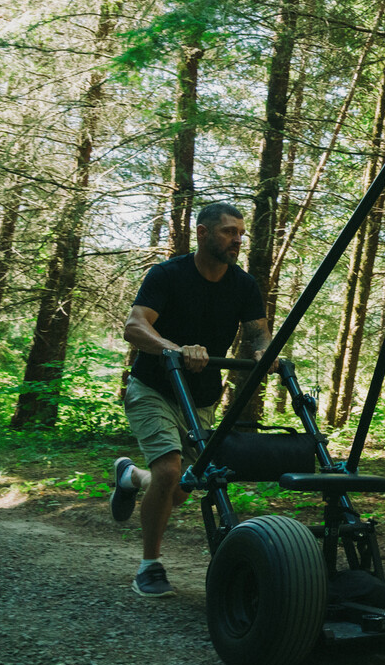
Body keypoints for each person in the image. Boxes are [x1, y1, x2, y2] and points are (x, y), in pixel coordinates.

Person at [109, 202, 271, 597]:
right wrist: (173, 349)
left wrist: (264, 353)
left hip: (200, 399)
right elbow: (135, 326)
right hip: (153, 389)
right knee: (168, 472)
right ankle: (150, 565)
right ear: (202, 233)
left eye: (240, 232)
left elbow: (259, 335)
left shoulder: (244, 285)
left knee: (181, 487)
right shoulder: (167, 275)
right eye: (229, 231)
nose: (238, 239)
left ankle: (130, 477)